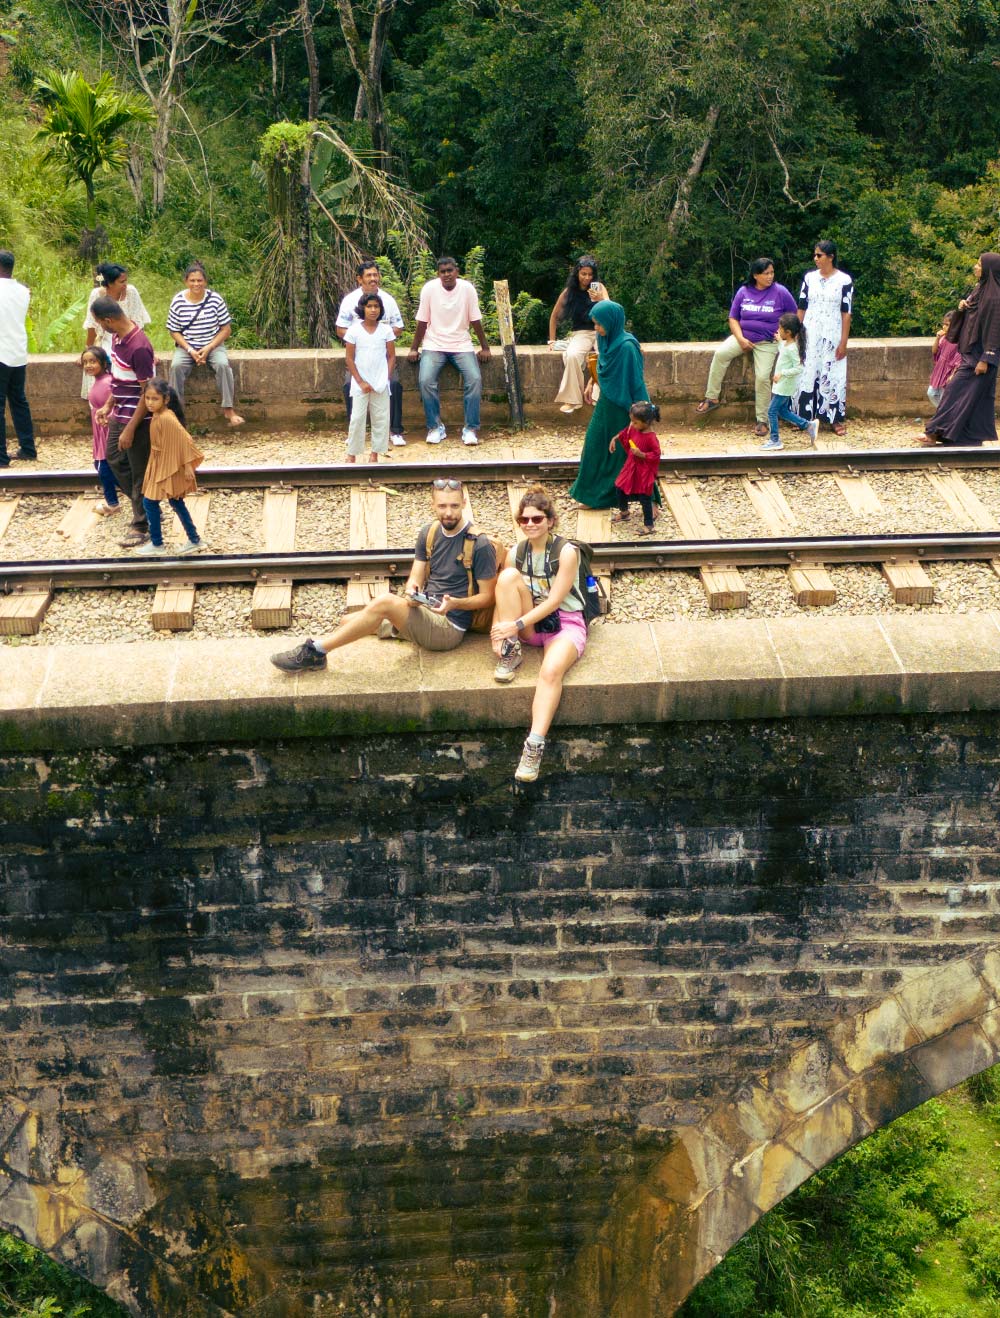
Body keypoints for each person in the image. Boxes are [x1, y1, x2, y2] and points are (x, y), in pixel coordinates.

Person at [271, 478, 498, 672]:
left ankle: (315, 652)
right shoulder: (428, 532)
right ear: (433, 505)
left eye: (454, 506)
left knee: (385, 602)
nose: (448, 513)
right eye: (442, 506)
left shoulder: (479, 543)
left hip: (449, 627)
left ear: (464, 504)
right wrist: (412, 591)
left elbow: (487, 597)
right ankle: (388, 627)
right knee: (347, 622)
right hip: (424, 610)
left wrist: (456, 604)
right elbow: (416, 575)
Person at [490, 487, 588, 783]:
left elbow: (555, 601)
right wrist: (499, 633)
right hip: (530, 622)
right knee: (507, 576)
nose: (530, 524)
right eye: (524, 519)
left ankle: (533, 747)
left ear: (550, 521)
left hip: (563, 624)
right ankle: (512, 653)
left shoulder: (565, 552)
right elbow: (502, 593)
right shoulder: (516, 553)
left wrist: (515, 626)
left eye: (537, 519)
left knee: (550, 672)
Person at [695, 258, 798, 436]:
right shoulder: (744, 291)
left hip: (768, 342)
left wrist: (784, 336)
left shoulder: (780, 292)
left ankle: (762, 420)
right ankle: (712, 397)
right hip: (742, 337)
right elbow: (733, 317)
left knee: (762, 377)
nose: (770, 276)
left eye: (772, 272)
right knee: (720, 354)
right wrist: (740, 339)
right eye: (766, 273)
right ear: (755, 275)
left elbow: (794, 316)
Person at [567, 300, 649, 510]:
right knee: (594, 447)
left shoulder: (627, 347)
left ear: (612, 322)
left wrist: (642, 415)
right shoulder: (605, 341)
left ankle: (650, 501)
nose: (596, 328)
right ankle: (592, 496)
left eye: (599, 324)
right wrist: (592, 381)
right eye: (594, 323)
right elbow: (603, 367)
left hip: (624, 409)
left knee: (630, 454)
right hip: (605, 404)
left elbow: (636, 381)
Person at [914, 252, 1000, 448]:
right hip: (971, 353)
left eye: (979, 264)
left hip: (980, 357)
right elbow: (973, 319)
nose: (975, 267)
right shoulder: (980, 289)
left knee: (955, 392)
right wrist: (963, 308)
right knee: (970, 398)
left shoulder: (995, 298)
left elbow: (995, 329)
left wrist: (986, 358)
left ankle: (934, 432)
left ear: (989, 269)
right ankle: (966, 437)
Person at [91, 295, 156, 546]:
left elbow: (148, 392)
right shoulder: (118, 338)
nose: (100, 327)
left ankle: (142, 524)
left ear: (108, 320)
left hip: (138, 419)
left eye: (99, 323)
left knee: (139, 471)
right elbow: (119, 378)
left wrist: (131, 428)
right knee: (115, 459)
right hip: (120, 413)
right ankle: (148, 505)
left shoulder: (138, 346)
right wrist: (109, 405)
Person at [407, 257, 491, 447]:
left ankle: (470, 428)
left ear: (457, 271)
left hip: (461, 344)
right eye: (442, 271)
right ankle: (435, 427)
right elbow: (422, 321)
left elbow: (475, 320)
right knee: (425, 380)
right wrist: (414, 348)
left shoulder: (467, 289)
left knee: (475, 379)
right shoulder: (429, 289)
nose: (446, 274)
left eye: (449, 270)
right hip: (434, 344)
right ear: (438, 274)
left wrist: (485, 347)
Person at [335, 258, 406, 446]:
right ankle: (355, 432)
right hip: (359, 355)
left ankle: (395, 430)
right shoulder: (349, 301)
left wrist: (380, 335)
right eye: (369, 275)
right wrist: (360, 336)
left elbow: (398, 327)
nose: (373, 279)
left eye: (375, 275)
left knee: (395, 384)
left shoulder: (388, 301)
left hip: (382, 354)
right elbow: (340, 329)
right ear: (359, 279)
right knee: (349, 385)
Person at [133, 380, 206, 557]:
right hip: (162, 462)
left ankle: (158, 544)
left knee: (149, 502)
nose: (150, 402)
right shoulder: (159, 415)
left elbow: (185, 440)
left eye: (155, 399)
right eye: (147, 398)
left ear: (165, 399)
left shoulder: (166, 418)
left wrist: (187, 465)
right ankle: (194, 539)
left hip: (169, 465)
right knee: (175, 502)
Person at [166, 261, 244, 427]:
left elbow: (226, 329)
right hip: (187, 346)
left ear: (205, 281)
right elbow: (174, 331)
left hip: (213, 345)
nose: (196, 284)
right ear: (186, 281)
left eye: (199, 280)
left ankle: (228, 409)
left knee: (223, 365)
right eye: (192, 280)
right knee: (176, 367)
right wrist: (190, 349)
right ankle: (175, 411)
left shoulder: (215, 299)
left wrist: (209, 348)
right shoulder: (178, 300)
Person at [796, 240, 854, 436]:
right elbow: (802, 306)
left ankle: (834, 418)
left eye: (819, 255)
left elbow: (846, 312)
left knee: (833, 374)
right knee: (808, 371)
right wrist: (795, 334)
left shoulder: (844, 280)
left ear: (831, 257)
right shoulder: (809, 278)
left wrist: (843, 341)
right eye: (815, 255)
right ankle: (804, 418)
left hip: (832, 333)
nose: (816, 259)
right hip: (810, 332)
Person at [547, 255, 609, 413]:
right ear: (577, 273)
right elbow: (554, 316)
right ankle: (573, 400)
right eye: (583, 274)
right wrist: (552, 340)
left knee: (605, 354)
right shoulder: (569, 292)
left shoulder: (599, 287)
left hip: (600, 330)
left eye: (590, 274)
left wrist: (601, 299)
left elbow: (611, 309)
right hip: (581, 332)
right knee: (572, 355)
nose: (587, 278)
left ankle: (598, 397)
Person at [81, 263, 151, 398]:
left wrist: (142, 347)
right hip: (106, 337)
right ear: (109, 283)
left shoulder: (131, 292)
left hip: (128, 338)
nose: (125, 285)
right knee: (104, 361)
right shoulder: (96, 294)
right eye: (121, 282)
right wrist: (88, 349)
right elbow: (92, 324)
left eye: (126, 281)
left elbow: (137, 323)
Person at [344, 292, 396, 463]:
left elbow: (391, 356)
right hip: (360, 382)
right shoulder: (354, 330)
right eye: (369, 306)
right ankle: (352, 453)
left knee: (381, 418)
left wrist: (385, 378)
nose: (373, 310)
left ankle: (375, 454)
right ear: (363, 308)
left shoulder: (386, 330)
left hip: (380, 381)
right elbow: (349, 358)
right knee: (357, 418)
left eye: (376, 306)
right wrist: (360, 381)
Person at [0, 248, 36, 465]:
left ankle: (1, 457)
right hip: (17, 353)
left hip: (0, 353)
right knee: (18, 401)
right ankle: (28, 447)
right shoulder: (23, 290)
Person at [762, 314, 819, 451]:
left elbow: (798, 368)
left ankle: (775, 439)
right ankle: (808, 425)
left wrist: (782, 374)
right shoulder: (787, 344)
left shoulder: (792, 348)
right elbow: (784, 351)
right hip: (781, 385)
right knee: (782, 410)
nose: (778, 330)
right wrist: (779, 341)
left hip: (784, 386)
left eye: (780, 329)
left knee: (771, 411)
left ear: (788, 332)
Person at [609, 401, 662, 534]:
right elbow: (625, 433)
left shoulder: (651, 438)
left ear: (646, 422)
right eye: (631, 421)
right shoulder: (634, 428)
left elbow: (656, 455)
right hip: (631, 466)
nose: (632, 424)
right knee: (619, 487)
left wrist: (642, 454)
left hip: (644, 471)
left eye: (635, 422)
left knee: (645, 498)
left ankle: (649, 525)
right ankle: (624, 512)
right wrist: (615, 439)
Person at [81, 347, 120, 515]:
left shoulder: (108, 382)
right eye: (85, 362)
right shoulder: (99, 380)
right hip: (100, 430)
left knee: (105, 468)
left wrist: (108, 417)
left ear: (104, 363)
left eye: (92, 361)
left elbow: (118, 404)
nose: (88, 365)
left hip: (108, 429)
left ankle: (113, 503)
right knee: (101, 465)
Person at [927, 309, 961, 411]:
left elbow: (958, 360)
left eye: (947, 324)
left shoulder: (959, 341)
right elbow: (934, 351)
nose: (944, 327)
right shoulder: (944, 338)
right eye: (944, 324)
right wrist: (937, 338)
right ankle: (943, 414)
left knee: (943, 396)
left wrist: (952, 375)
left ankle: (944, 416)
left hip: (948, 371)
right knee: (931, 393)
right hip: (939, 369)